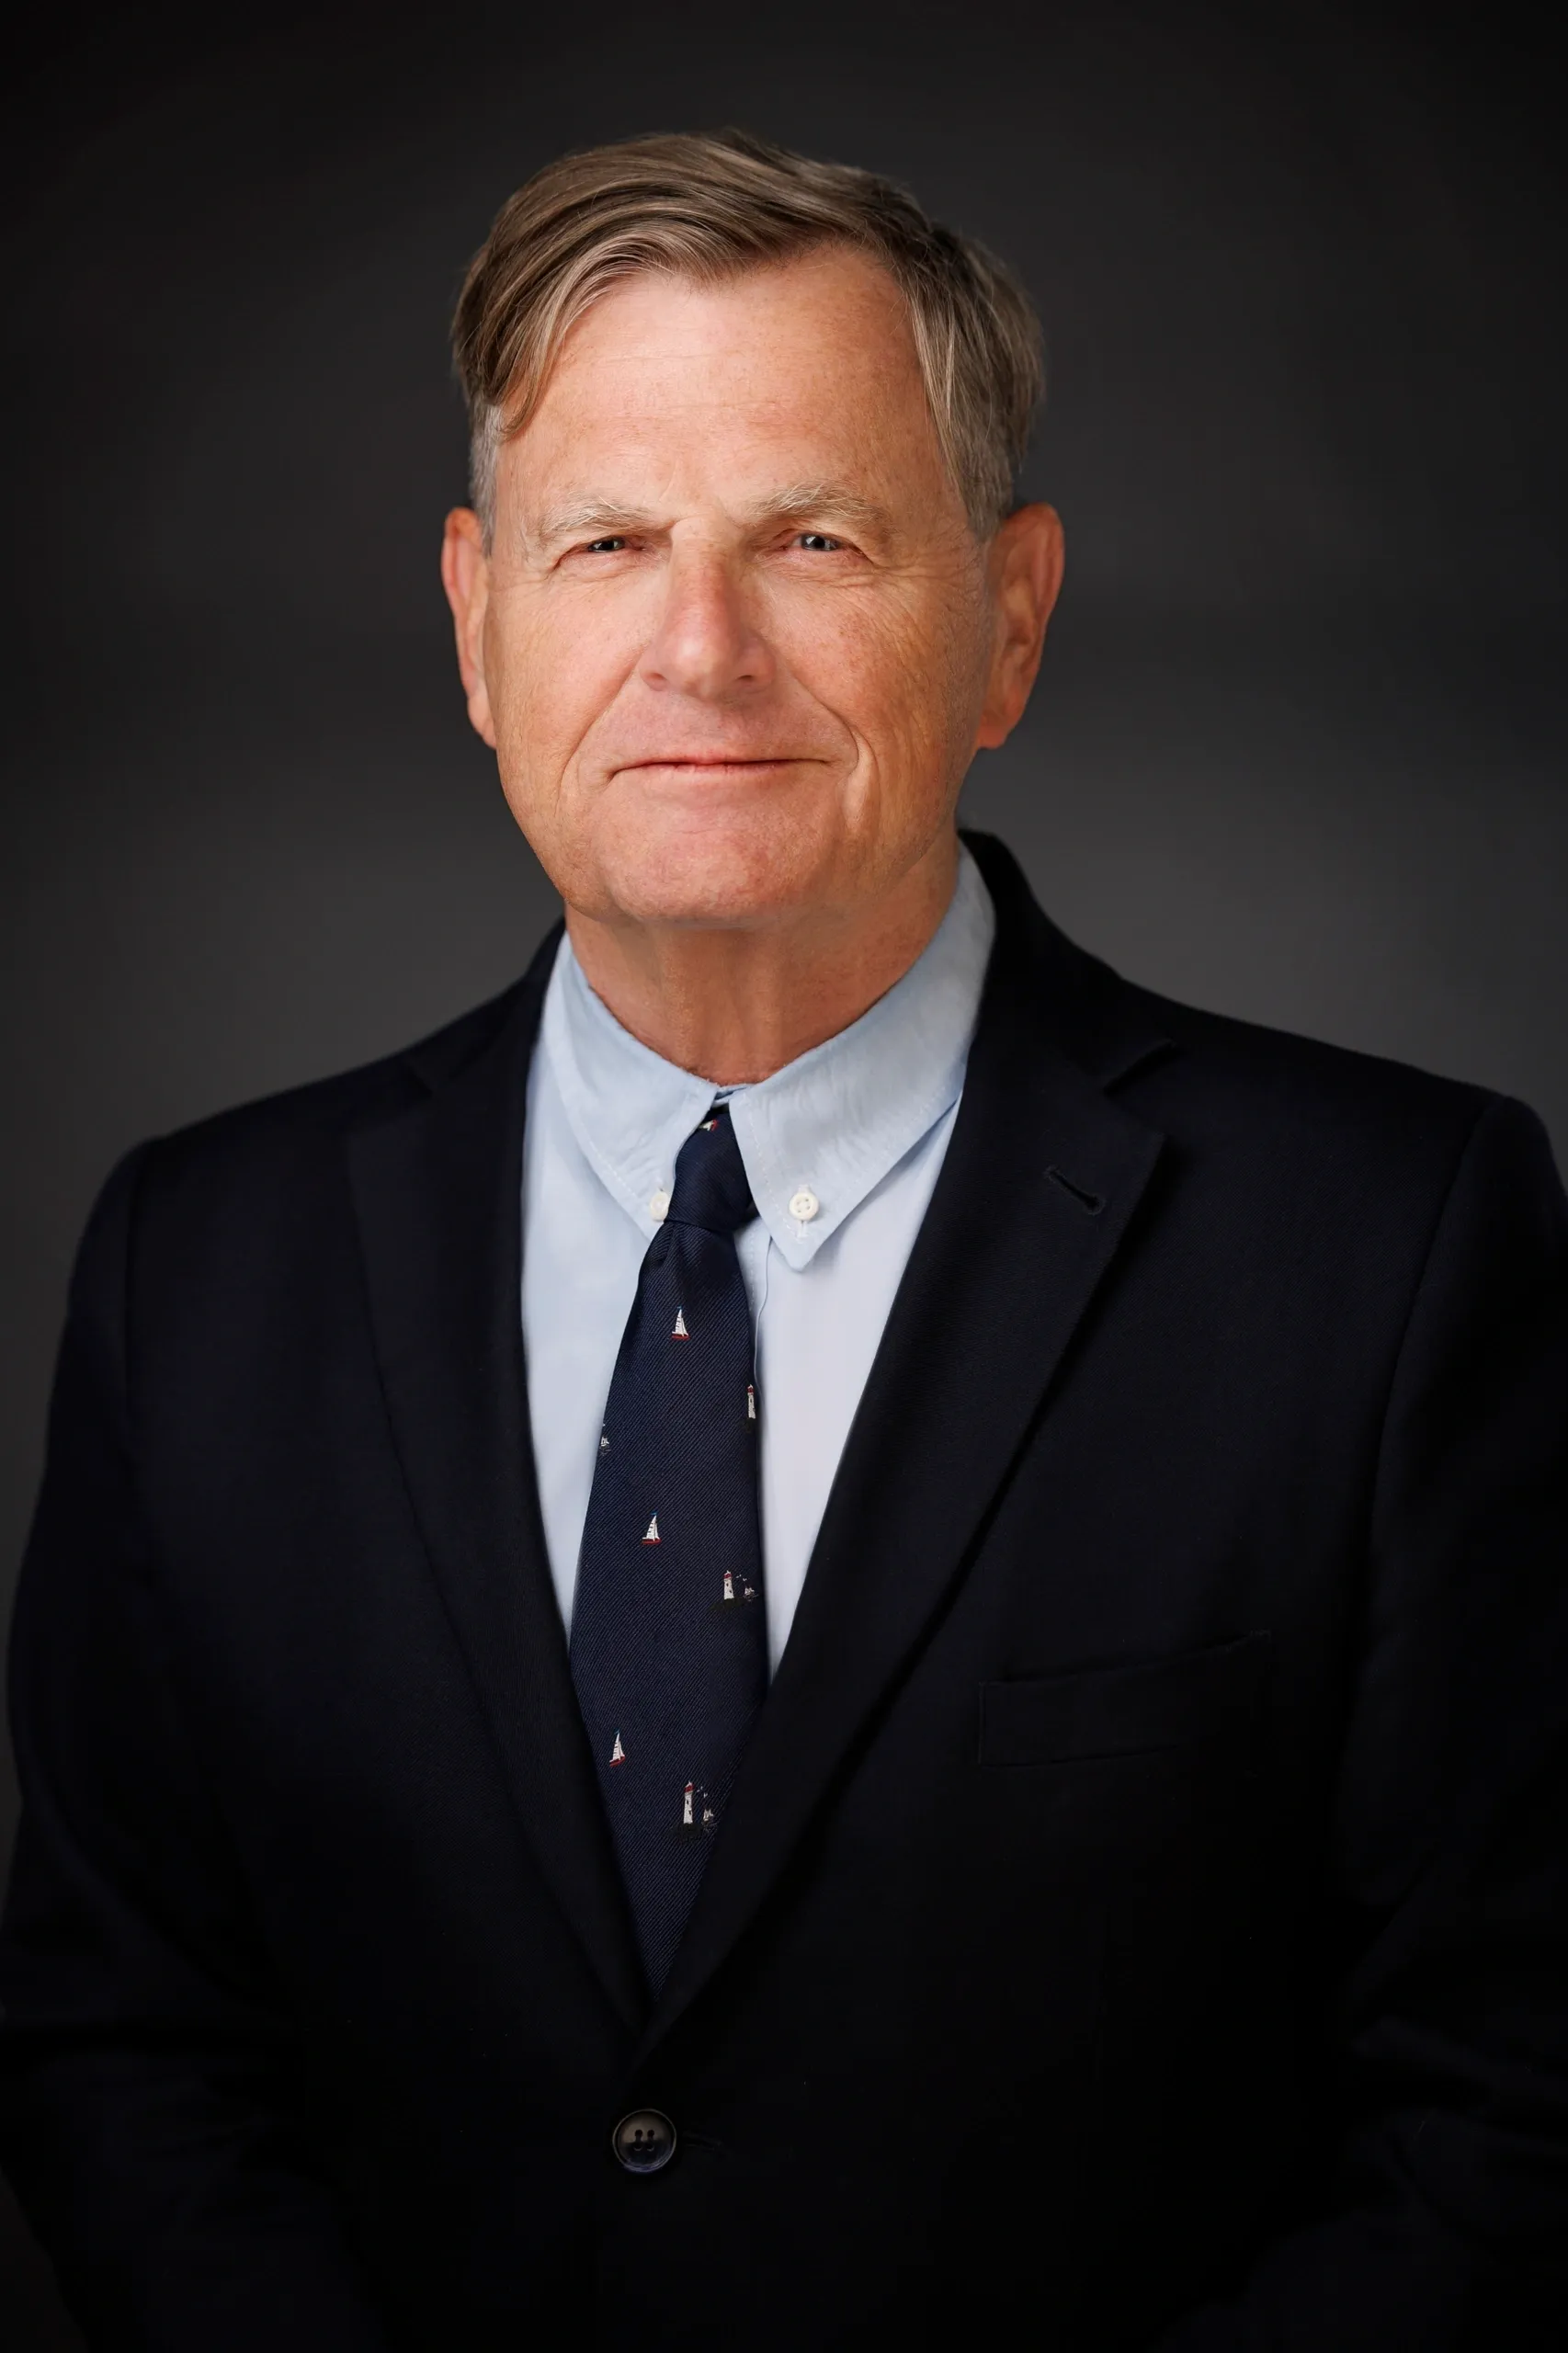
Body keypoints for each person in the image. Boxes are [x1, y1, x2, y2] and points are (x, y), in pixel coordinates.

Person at [1, 129, 1564, 2351]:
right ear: (475, 621)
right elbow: (124, 2042)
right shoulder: (199, 1271)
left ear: (1007, 617)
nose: (700, 649)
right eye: (607, 541)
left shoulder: (1391, 1247)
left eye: (813, 539)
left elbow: (1499, 2105)